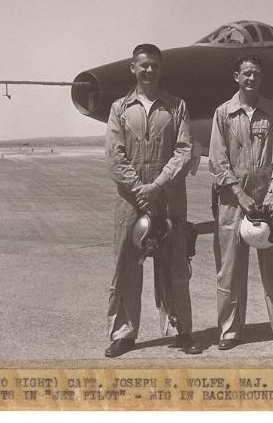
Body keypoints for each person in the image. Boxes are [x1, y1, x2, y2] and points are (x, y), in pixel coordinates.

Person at [104, 43, 201, 357]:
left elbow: (184, 150)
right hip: (130, 202)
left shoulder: (176, 106)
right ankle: (123, 333)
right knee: (126, 267)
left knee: (175, 266)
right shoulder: (120, 108)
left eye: (154, 66)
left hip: (169, 198)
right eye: (143, 65)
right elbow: (115, 156)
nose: (149, 70)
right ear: (133, 68)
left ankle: (180, 330)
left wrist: (157, 186)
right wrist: (140, 192)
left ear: (161, 69)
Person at [208, 53, 273, 350]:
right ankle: (230, 331)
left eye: (256, 74)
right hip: (233, 200)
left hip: (270, 195)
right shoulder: (223, 113)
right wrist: (239, 193)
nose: (251, 79)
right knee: (230, 267)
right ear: (236, 76)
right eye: (246, 73)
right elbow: (218, 159)